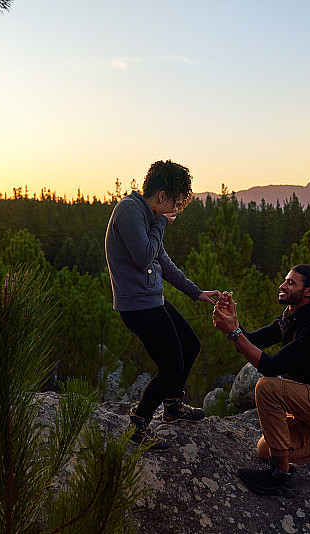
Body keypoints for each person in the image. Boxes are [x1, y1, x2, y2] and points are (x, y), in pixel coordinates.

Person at [211, 264, 310, 497]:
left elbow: (271, 367)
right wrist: (233, 323)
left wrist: (234, 334)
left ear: (309, 292)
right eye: (285, 280)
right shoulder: (295, 314)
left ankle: (281, 476)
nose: (282, 286)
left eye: (291, 283)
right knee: (267, 449)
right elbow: (252, 341)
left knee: (267, 388)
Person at [105, 160, 219, 452]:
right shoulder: (131, 211)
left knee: (190, 345)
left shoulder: (145, 214)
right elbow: (144, 256)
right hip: (138, 307)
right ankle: (139, 423)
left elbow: (162, 262)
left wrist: (196, 293)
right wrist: (161, 224)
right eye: (176, 204)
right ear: (162, 196)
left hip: (152, 300)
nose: (176, 211)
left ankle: (172, 406)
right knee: (170, 366)